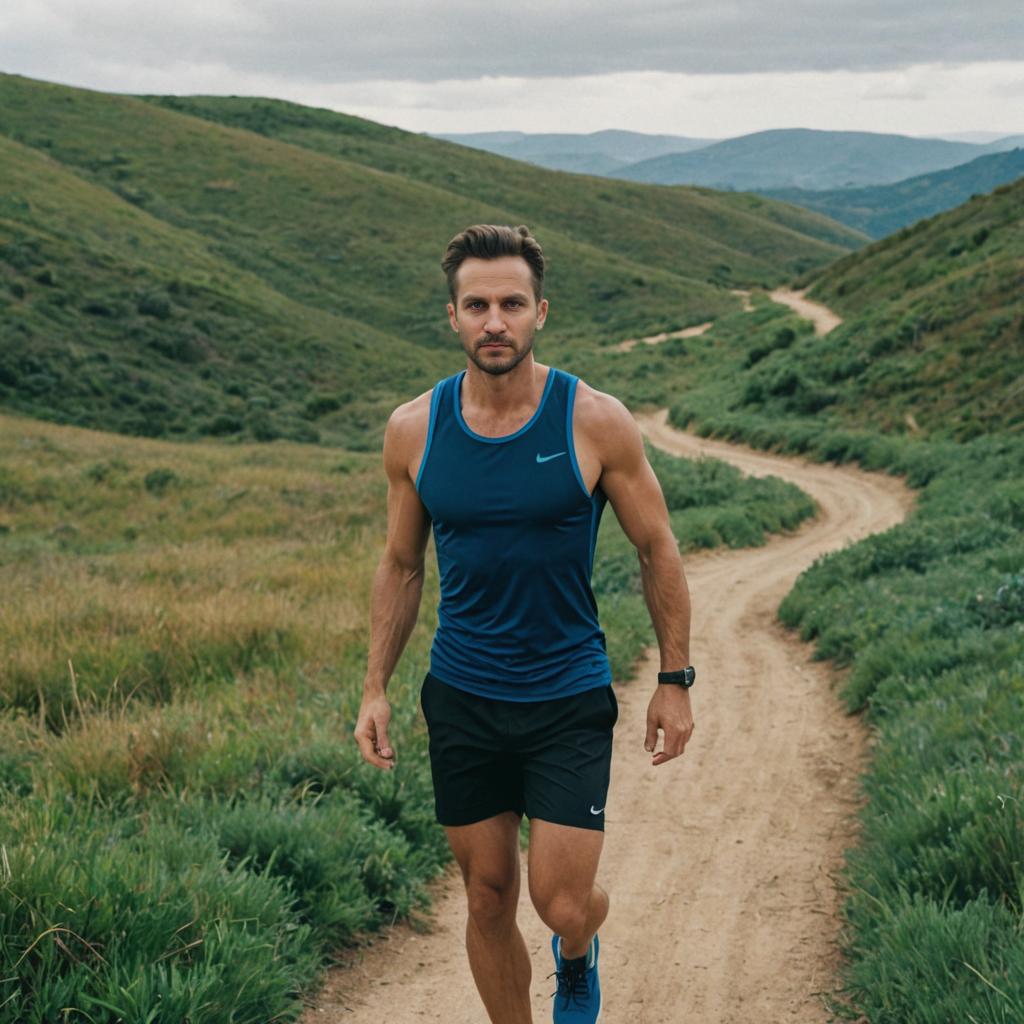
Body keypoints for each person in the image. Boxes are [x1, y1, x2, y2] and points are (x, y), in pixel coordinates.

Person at [354, 224, 695, 1023]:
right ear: (453, 316)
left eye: (512, 303)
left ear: (541, 311)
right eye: (478, 305)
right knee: (485, 895)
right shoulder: (416, 428)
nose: (495, 321)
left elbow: (657, 548)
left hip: (565, 695)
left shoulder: (595, 420)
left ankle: (579, 955)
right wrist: (374, 687)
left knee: (562, 904)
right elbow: (402, 566)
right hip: (464, 697)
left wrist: (675, 680)